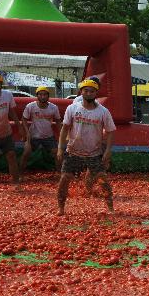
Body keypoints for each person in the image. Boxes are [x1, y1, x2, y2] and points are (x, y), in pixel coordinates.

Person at [56, 78, 116, 215]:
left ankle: (111, 208)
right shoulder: (72, 108)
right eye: (86, 91)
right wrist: (60, 147)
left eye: (92, 91)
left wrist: (107, 151)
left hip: (94, 153)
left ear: (96, 93)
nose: (89, 93)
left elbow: (111, 131)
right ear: (81, 92)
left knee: (102, 179)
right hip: (73, 151)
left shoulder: (103, 111)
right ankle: (61, 208)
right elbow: (65, 129)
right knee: (64, 179)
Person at [20, 86, 62, 174]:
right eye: (40, 94)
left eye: (45, 94)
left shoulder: (53, 107)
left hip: (48, 136)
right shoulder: (31, 106)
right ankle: (20, 174)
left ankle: (60, 174)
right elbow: (24, 119)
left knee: (57, 153)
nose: (43, 96)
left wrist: (61, 134)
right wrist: (26, 133)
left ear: (48, 96)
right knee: (26, 153)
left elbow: (58, 121)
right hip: (34, 135)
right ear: (37, 96)